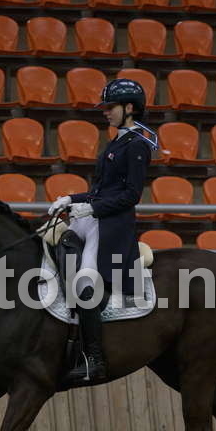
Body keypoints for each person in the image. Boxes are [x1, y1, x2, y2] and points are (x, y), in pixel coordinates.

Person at [48, 79, 154, 384]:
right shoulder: (117, 141)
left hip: (110, 225)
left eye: (110, 107)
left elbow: (131, 195)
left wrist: (92, 209)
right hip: (93, 217)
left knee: (85, 284)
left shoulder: (137, 145)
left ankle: (92, 358)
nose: (105, 112)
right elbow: (101, 191)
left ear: (129, 108)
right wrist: (71, 199)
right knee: (51, 247)